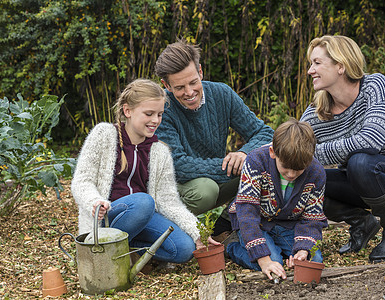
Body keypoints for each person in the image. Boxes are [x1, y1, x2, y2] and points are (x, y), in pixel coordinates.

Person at [300, 35, 385, 263]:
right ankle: (362, 223)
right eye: (311, 64)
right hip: (361, 181)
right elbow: (292, 148)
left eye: (317, 63)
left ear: (340, 66)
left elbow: (371, 140)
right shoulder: (317, 113)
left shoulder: (375, 86)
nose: (310, 70)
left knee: (360, 161)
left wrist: (315, 154)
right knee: (307, 179)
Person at [71, 78, 216, 266]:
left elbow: (168, 202)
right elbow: (81, 181)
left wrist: (197, 232)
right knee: (144, 202)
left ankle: (127, 250)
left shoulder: (160, 151)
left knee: (184, 249)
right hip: (109, 216)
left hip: (143, 216)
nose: (155, 120)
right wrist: (94, 202)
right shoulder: (104, 135)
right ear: (127, 111)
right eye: (149, 114)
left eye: (160, 114)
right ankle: (100, 251)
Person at [154, 38, 274, 238]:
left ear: (200, 71)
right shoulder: (162, 108)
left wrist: (244, 154)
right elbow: (179, 166)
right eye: (179, 87)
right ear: (166, 85)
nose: (189, 92)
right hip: (178, 186)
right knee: (206, 190)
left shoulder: (222, 94)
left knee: (268, 163)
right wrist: (230, 165)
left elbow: (264, 133)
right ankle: (162, 227)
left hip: (215, 177)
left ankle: (225, 226)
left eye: (193, 82)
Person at [226, 119, 327, 280]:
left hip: (287, 224)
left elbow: (312, 217)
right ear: (273, 153)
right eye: (285, 167)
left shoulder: (316, 172)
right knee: (273, 262)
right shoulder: (256, 161)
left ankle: (276, 248)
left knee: (313, 260)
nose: (292, 175)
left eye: (299, 169)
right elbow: (247, 213)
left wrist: (303, 249)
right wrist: (264, 260)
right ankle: (232, 247)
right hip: (256, 222)